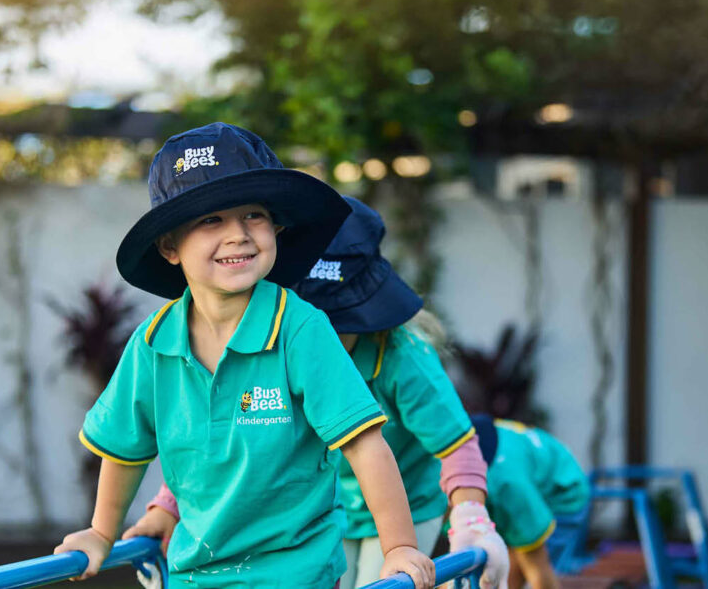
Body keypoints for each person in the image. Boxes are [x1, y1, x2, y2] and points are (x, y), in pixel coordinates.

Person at [54, 123, 435, 589]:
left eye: (253, 215)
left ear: (275, 226)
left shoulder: (299, 327)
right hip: (197, 576)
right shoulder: (153, 345)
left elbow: (364, 444)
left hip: (297, 574)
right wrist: (100, 532)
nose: (238, 235)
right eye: (211, 219)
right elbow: (124, 450)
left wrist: (398, 547)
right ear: (170, 246)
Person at [126, 196, 510, 589]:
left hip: (406, 504)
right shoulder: (274, 341)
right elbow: (220, 444)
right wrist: (166, 508)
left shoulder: (401, 356)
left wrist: (471, 519)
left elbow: (457, 442)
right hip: (328, 505)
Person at [471, 415, 591, 589]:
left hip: (561, 492)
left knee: (527, 566)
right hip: (517, 480)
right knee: (503, 567)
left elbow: (539, 572)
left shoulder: (508, 486)